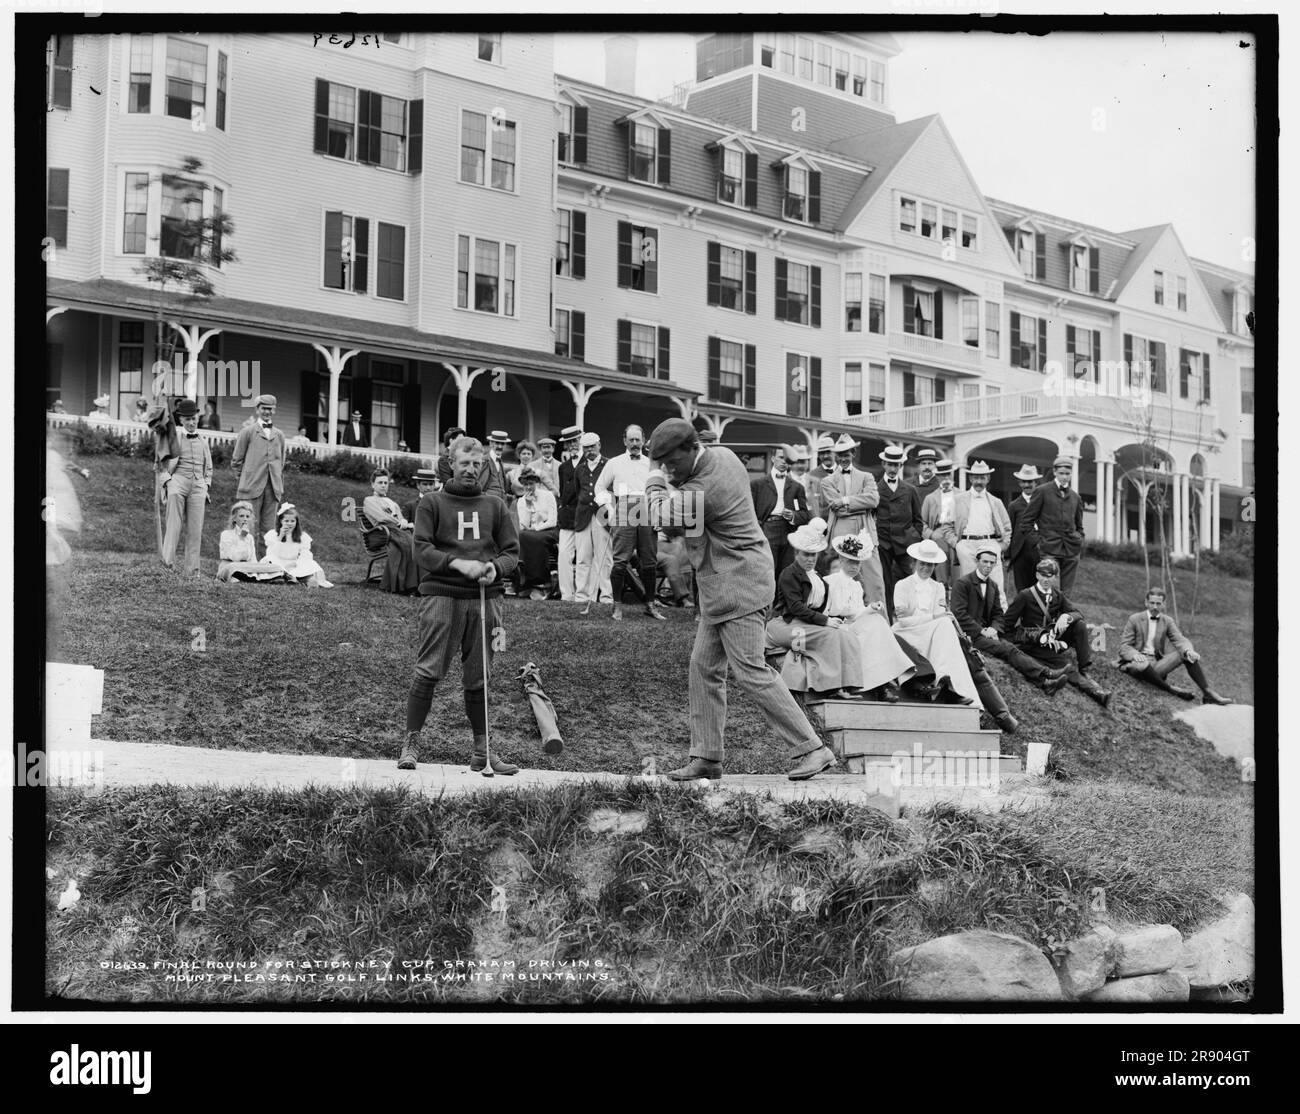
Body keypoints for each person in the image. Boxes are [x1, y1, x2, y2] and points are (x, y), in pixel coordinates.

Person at [646, 417, 839, 782]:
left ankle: (813, 748)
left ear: (692, 449)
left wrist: (653, 478)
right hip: (725, 586)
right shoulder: (723, 456)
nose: (669, 470)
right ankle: (706, 757)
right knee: (703, 668)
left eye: (673, 462)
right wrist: (668, 477)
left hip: (740, 586)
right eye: (663, 463)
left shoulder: (703, 489)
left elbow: (661, 519)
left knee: (750, 669)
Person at [399, 436, 521, 773]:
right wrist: (457, 564)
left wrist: (496, 567)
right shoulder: (432, 503)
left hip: (486, 599)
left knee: (480, 675)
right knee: (428, 670)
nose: (470, 469)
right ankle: (411, 744)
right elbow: (420, 549)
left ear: (483, 466)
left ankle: (483, 751)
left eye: (476, 464)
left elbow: (512, 552)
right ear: (451, 463)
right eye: (464, 462)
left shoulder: (496, 505)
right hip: (442, 595)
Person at [765, 519, 869, 701]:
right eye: (806, 554)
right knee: (829, 635)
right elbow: (795, 608)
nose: (811, 559)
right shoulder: (789, 574)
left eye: (814, 555)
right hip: (784, 625)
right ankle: (830, 687)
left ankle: (849, 684)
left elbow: (822, 606)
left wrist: (832, 620)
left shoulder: (817, 577)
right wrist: (826, 621)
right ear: (797, 553)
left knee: (846, 635)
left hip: (807, 623)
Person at [950, 542, 1070, 700]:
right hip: (968, 636)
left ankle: (1045, 683)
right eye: (985, 561)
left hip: (987, 634)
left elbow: (999, 615)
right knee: (1009, 650)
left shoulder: (993, 586)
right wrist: (981, 630)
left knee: (1010, 647)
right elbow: (958, 614)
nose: (988, 565)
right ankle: (1046, 673)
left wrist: (993, 628)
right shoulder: (962, 583)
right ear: (977, 561)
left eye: (992, 563)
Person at [1003, 557, 1110, 706]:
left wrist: (1066, 616)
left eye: (1050, 576)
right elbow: (1007, 624)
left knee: (1079, 624)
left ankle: (1085, 668)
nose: (1046, 579)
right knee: (1065, 667)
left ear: (1054, 577)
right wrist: (1021, 640)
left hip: (1052, 641)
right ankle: (1096, 693)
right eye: (1043, 575)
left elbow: (1078, 613)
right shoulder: (1025, 595)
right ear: (1037, 575)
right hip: (1032, 644)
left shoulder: (1057, 595)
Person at [824, 531, 917, 702]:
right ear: (842, 560)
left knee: (877, 621)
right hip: (835, 625)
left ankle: (882, 683)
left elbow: (857, 612)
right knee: (874, 625)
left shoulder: (857, 586)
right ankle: (885, 683)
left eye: (857, 563)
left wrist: (870, 608)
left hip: (852, 624)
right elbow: (834, 608)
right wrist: (864, 611)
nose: (854, 566)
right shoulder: (830, 581)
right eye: (851, 561)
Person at [891, 539, 981, 707]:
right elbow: (903, 621)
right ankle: (945, 683)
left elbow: (941, 616)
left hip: (931, 631)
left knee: (946, 624)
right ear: (914, 563)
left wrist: (935, 617)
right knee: (943, 624)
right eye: (922, 564)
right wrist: (933, 617)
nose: (926, 569)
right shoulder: (902, 585)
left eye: (930, 565)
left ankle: (947, 682)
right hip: (907, 632)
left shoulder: (938, 587)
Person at [594, 424, 665, 621]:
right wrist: (609, 509)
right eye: (631, 440)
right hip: (624, 507)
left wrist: (658, 515)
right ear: (624, 441)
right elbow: (599, 487)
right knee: (620, 560)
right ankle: (617, 606)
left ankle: (650, 604)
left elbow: (660, 489)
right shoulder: (614, 463)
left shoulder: (653, 463)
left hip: (647, 509)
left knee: (649, 561)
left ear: (643, 440)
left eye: (638, 440)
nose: (634, 444)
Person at [1118, 588, 1232, 704]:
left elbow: (1180, 639)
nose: (1155, 607)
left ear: (1164, 604)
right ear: (1146, 603)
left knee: (1186, 655)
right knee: (1141, 663)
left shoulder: (1167, 621)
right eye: (1152, 603)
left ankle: (1208, 694)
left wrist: (1188, 651)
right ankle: (1172, 690)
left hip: (1155, 666)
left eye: (1158, 603)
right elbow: (1124, 646)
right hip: (1136, 664)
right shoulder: (1134, 619)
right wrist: (1135, 655)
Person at [821, 434, 886, 605]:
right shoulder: (827, 481)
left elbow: (873, 500)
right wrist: (861, 505)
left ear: (853, 453)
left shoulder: (867, 477)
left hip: (866, 532)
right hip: (841, 533)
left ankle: (880, 625)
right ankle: (844, 624)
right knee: (845, 582)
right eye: (840, 455)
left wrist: (845, 500)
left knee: (875, 583)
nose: (843, 458)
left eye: (846, 454)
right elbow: (838, 511)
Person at [160, 398, 212, 577]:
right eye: (187, 419)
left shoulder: (203, 442)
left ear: (198, 418)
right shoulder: (174, 439)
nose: (191, 422)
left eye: (193, 418)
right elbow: (162, 464)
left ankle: (191, 571)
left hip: (198, 487)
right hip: (178, 482)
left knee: (195, 530)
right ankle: (167, 565)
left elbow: (209, 468)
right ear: (181, 420)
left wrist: (206, 485)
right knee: (173, 526)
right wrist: (168, 482)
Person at [1021, 455, 1085, 597]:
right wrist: (1038, 542)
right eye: (1061, 473)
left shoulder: (1076, 497)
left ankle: (1061, 618)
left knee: (1066, 594)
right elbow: (1026, 521)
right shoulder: (1042, 491)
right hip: (1049, 548)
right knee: (1049, 590)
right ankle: (1047, 619)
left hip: (1071, 550)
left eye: (1067, 474)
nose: (1064, 477)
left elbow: (1079, 526)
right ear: (1054, 472)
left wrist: (1079, 540)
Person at [873, 444, 924, 621]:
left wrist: (914, 538)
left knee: (913, 580)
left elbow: (918, 519)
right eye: (890, 464)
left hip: (906, 544)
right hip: (883, 543)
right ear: (883, 464)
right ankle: (887, 620)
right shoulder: (874, 489)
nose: (893, 468)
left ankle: (916, 617)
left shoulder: (910, 490)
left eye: (896, 465)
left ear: (900, 466)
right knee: (884, 583)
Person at [751, 444, 811, 589]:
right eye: (781, 457)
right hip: (767, 529)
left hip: (788, 530)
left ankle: (782, 607)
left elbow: (805, 514)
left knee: (786, 571)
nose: (784, 461)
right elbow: (750, 512)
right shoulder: (757, 484)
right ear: (772, 459)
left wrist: (793, 516)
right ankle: (766, 606)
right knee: (767, 569)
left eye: (787, 459)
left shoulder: (797, 487)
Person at [954, 460, 1012, 607]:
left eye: (982, 477)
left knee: (996, 584)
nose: (979, 481)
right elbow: (947, 526)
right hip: (967, 545)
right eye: (976, 477)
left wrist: (1001, 546)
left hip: (990, 544)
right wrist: (957, 544)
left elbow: (1007, 527)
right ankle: (972, 623)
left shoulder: (995, 501)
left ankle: (1001, 624)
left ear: (988, 479)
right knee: (970, 585)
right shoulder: (958, 500)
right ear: (970, 479)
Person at [231, 393, 287, 537]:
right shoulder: (248, 432)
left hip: (272, 487)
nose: (267, 412)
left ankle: (265, 560)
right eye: (264, 408)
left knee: (269, 531)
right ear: (257, 409)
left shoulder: (279, 435)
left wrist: (275, 479)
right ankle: (247, 558)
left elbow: (281, 462)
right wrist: (245, 480)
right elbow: (236, 461)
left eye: (270, 409)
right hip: (251, 486)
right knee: (248, 527)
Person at [573, 431, 614, 613]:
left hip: (602, 514)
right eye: (586, 447)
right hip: (583, 515)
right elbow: (577, 491)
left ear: (599, 445)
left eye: (592, 446)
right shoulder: (580, 469)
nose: (589, 450)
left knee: (604, 557)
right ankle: (582, 595)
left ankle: (606, 596)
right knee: (583, 557)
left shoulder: (609, 465)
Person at [362, 467, 419, 594]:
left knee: (417, 541)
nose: (383, 486)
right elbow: (381, 517)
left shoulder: (392, 502)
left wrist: (404, 522)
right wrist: (400, 523)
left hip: (395, 530)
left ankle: (417, 584)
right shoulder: (369, 500)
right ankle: (407, 586)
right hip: (382, 533)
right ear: (373, 484)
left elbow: (401, 517)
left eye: (385, 483)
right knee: (408, 543)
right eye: (380, 483)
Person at [260, 503, 333, 587]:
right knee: (270, 561)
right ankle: (284, 577)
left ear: (296, 522)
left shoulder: (302, 536)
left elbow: (305, 554)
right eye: (286, 521)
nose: (289, 523)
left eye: (292, 521)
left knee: (310, 564)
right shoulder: (273, 534)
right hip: (278, 561)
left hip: (294, 563)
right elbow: (271, 554)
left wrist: (297, 563)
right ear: (281, 521)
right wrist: (280, 536)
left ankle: (300, 578)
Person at [515, 467, 559, 599]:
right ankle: (526, 582)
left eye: (531, 484)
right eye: (526, 484)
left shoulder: (548, 495)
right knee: (522, 536)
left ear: (536, 483)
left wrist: (537, 528)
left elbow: (552, 521)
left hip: (549, 530)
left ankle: (542, 583)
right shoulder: (522, 501)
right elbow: (524, 525)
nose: (529, 487)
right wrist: (528, 506)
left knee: (535, 539)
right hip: (530, 532)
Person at [217, 500, 283, 582]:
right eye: (241, 516)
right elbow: (234, 557)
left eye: (247, 517)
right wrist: (241, 537)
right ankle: (253, 577)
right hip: (230, 566)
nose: (245, 519)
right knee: (233, 567)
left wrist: (257, 568)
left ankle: (256, 577)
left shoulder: (250, 537)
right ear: (234, 518)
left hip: (246, 567)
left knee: (275, 566)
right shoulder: (226, 534)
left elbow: (253, 560)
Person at [920, 460, 960, 588]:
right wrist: (931, 534)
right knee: (940, 578)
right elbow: (921, 522)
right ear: (937, 476)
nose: (946, 478)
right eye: (943, 475)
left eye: (948, 474)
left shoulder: (962, 495)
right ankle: (940, 605)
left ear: (953, 474)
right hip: (939, 538)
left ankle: (956, 606)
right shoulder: (930, 498)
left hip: (956, 537)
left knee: (958, 577)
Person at [555, 425, 584, 601]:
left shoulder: (587, 463)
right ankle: (567, 594)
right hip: (567, 517)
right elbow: (562, 493)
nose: (572, 444)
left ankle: (582, 594)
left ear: (580, 441)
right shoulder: (563, 467)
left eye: (575, 440)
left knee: (583, 558)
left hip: (583, 516)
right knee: (564, 555)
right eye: (569, 442)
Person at [1007, 464, 1044, 592]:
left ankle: (1039, 612)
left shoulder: (1043, 502)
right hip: (1020, 552)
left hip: (1040, 550)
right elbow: (1009, 530)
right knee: (1022, 590)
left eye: (1030, 482)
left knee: (1040, 587)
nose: (1027, 485)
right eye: (1024, 482)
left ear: (1036, 482)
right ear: (1019, 483)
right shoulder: (1014, 505)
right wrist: (1008, 556)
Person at [803, 434, 837, 521]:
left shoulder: (843, 471)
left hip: (843, 521)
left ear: (835, 452)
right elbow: (810, 503)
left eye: (828, 452)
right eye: (822, 453)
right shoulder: (811, 476)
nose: (825, 456)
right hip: (822, 523)